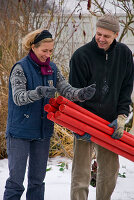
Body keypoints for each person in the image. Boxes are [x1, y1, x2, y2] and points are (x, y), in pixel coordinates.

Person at [3, 29, 96, 200]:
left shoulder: (52, 68)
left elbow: (66, 89)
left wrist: (81, 94)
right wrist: (38, 92)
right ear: (33, 47)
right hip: (19, 133)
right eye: (44, 51)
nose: (48, 54)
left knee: (37, 181)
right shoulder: (20, 68)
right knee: (16, 182)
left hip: (43, 132)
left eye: (51, 50)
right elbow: (18, 98)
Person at [69, 14, 134, 200]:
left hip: (109, 122)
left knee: (110, 172)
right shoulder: (81, 56)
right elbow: (74, 94)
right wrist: (78, 126)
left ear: (116, 34)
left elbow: (126, 88)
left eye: (106, 36)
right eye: (98, 34)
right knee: (80, 173)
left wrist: (122, 117)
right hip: (84, 120)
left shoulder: (124, 54)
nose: (101, 39)